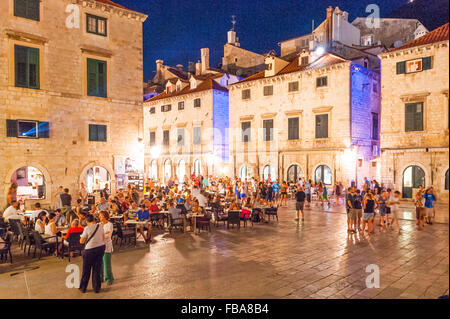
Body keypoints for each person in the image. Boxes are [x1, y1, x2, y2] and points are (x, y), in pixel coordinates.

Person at [79, 214, 105, 294]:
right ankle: (96, 288)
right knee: (97, 269)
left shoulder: (87, 228)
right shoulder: (100, 226)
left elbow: (81, 241)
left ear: (87, 221)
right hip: (100, 248)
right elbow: (103, 237)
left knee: (86, 270)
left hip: (90, 250)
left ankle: (83, 288)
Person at [99, 211, 114, 286]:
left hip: (107, 246)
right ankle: (100, 278)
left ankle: (109, 279)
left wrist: (101, 235)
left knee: (106, 263)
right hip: (99, 246)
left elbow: (108, 235)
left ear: (105, 216)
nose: (100, 217)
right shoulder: (98, 225)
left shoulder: (109, 225)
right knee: (100, 263)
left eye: (101, 216)